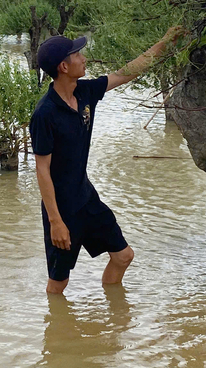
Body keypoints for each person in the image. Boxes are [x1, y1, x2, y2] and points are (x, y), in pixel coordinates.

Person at [29, 26, 185, 294]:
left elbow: (127, 72)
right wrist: (56, 222)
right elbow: (42, 169)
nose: (84, 58)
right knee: (59, 283)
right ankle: (58, 331)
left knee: (123, 256)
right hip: (62, 210)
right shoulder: (45, 114)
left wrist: (166, 41)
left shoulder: (85, 92)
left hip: (87, 200)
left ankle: (113, 319)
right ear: (64, 67)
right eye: (78, 55)